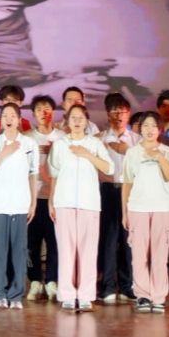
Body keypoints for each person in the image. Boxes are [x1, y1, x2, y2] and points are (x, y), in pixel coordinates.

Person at [48, 104, 111, 312]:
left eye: (80, 118)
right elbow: (54, 173)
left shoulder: (94, 143)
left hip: (89, 203)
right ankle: (67, 294)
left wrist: (87, 154)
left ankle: (85, 295)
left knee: (88, 251)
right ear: (67, 121)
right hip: (64, 202)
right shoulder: (60, 144)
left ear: (86, 121)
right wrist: (51, 200)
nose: (76, 121)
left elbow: (109, 167)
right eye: (73, 118)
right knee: (66, 250)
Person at [0, 102, 39, 309]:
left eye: (13, 115)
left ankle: (16, 295)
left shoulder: (29, 144)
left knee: (19, 251)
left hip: (20, 204)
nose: (9, 119)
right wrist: (3, 153)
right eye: (5, 115)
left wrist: (33, 203)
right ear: (0, 120)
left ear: (19, 119)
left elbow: (33, 175)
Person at [122, 111, 169, 313]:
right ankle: (143, 295)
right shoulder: (132, 153)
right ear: (140, 129)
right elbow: (127, 183)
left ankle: (158, 297)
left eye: (153, 126)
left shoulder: (167, 151)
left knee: (160, 255)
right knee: (139, 255)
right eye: (145, 125)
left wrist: (160, 157)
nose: (149, 130)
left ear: (159, 129)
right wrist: (125, 212)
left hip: (162, 208)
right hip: (137, 208)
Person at [97, 93, 138, 304]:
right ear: (108, 114)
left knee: (129, 239)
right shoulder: (99, 139)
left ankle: (127, 285)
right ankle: (108, 286)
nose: (119, 115)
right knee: (109, 239)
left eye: (123, 111)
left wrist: (127, 151)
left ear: (129, 114)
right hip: (108, 191)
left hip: (131, 191)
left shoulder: (137, 140)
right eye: (114, 111)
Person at [24, 94, 62, 302]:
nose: (43, 113)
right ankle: (35, 281)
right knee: (31, 243)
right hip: (32, 197)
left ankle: (52, 281)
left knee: (55, 242)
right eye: (39, 109)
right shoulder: (26, 137)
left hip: (56, 198)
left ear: (53, 112)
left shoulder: (62, 137)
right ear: (33, 114)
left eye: (47, 109)